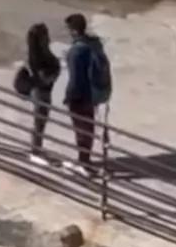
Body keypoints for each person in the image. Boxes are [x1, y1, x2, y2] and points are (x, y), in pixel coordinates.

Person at [61, 13, 112, 177]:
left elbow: (75, 79)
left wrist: (69, 97)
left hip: (80, 96)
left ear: (74, 31)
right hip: (92, 94)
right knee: (88, 128)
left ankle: (83, 163)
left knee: (80, 129)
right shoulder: (94, 44)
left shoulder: (76, 52)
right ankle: (85, 160)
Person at [16, 23, 61, 167]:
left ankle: (37, 148)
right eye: (45, 35)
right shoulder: (36, 57)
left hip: (44, 90)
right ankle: (35, 150)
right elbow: (43, 77)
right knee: (39, 121)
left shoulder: (41, 53)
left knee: (41, 121)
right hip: (41, 91)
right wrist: (54, 73)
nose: (48, 37)